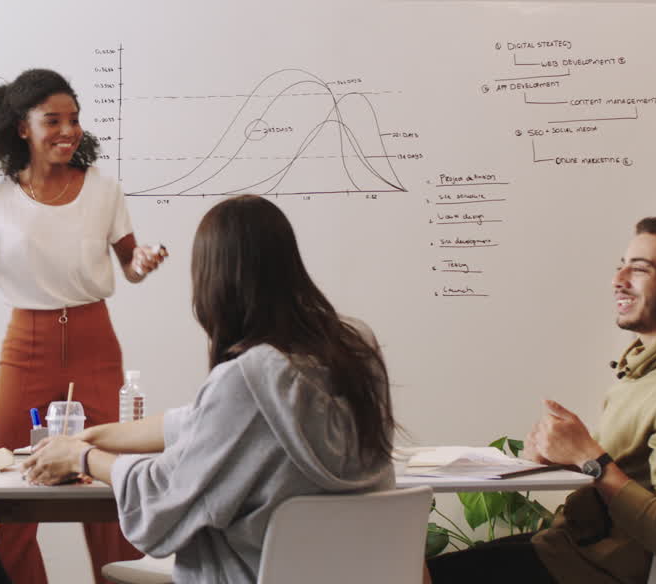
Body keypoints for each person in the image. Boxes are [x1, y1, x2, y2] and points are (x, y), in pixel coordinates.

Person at [23, 194, 396, 584]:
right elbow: (203, 422)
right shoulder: (356, 349)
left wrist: (82, 458)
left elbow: (162, 492)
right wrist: (93, 437)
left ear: (215, 280)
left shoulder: (247, 375)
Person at [0, 68, 166, 584]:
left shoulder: (102, 189)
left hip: (96, 341)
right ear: (23, 128)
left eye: (73, 119)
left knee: (110, 485)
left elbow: (130, 267)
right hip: (26, 344)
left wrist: (143, 260)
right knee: (7, 487)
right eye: (53, 120)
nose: (67, 130)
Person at [427, 216, 656, 584]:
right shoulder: (642, 371)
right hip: (565, 547)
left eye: (641, 269)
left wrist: (590, 458)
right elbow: (629, 475)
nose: (619, 280)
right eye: (621, 266)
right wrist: (567, 458)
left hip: (586, 568)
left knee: (419, 574)